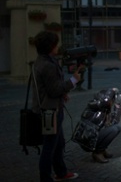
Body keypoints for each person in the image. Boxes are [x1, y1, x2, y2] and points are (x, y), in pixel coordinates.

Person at [31, 31, 82, 181]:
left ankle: (61, 172)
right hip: (50, 112)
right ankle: (45, 178)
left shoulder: (42, 60)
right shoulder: (47, 65)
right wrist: (73, 80)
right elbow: (54, 89)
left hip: (51, 108)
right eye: (55, 43)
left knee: (58, 144)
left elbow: (49, 87)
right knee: (49, 147)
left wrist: (62, 94)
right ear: (50, 46)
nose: (57, 46)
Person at [75, 88, 121, 163]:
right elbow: (105, 101)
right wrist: (112, 92)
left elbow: (114, 122)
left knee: (115, 128)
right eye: (112, 100)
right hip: (87, 139)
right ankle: (98, 152)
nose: (112, 101)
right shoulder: (96, 106)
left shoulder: (104, 109)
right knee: (115, 129)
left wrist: (117, 105)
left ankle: (102, 149)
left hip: (91, 137)